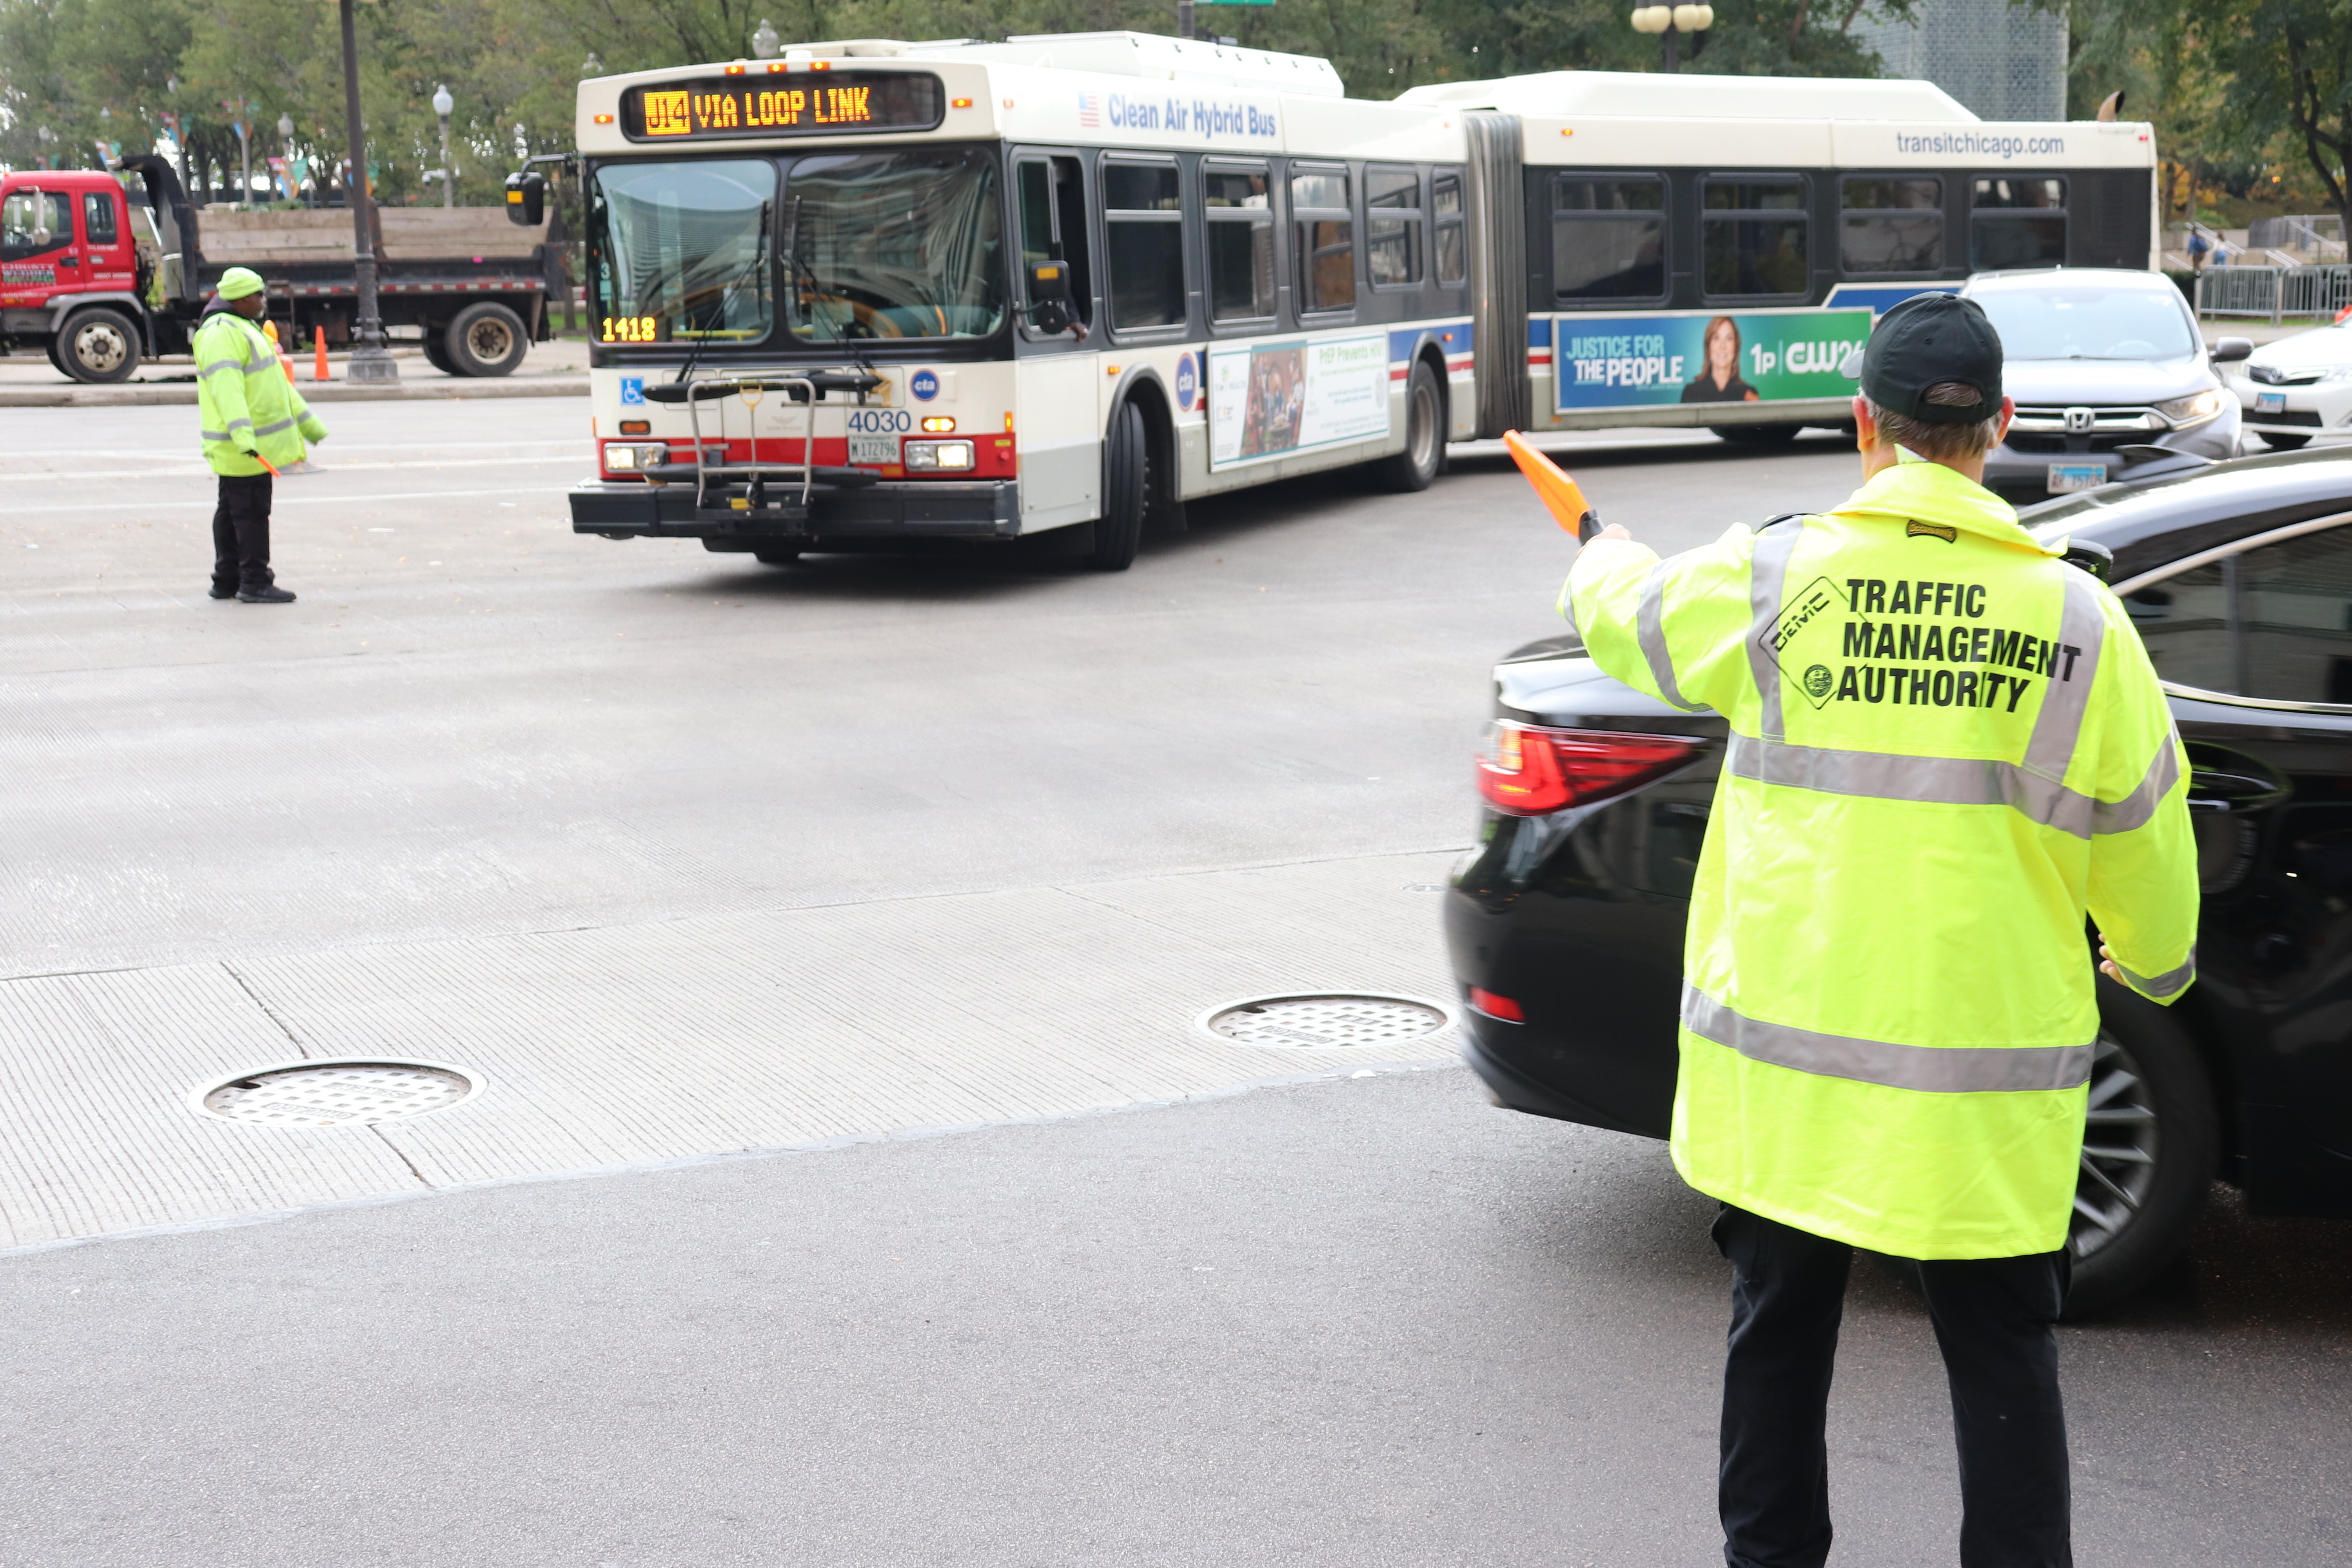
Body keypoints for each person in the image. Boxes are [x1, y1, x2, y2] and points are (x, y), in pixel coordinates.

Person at [1561, 291, 2198, 1568]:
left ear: (1866, 425)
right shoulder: (2081, 621)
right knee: (2004, 1361)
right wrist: (2162, 964)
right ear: (2001, 428)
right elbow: (2147, 839)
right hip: (1981, 1100)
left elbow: (1621, 616)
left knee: (1779, 1341)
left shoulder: (1775, 576)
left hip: (1790, 1088)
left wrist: (1599, 546)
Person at [194, 266, 328, 603]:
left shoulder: (240, 327)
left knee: (232, 512)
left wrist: (309, 425)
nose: (264, 300)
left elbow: (277, 386)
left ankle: (227, 579)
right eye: (259, 295)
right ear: (242, 300)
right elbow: (228, 391)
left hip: (244, 446)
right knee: (251, 514)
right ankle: (254, 580)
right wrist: (244, 438)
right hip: (244, 447)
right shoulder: (224, 332)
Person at [1681, 314, 1760, 403]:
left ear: (1736, 347)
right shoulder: (1692, 392)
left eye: (1729, 339)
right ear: (1708, 347)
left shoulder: (1748, 394)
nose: (1723, 346)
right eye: (1717, 338)